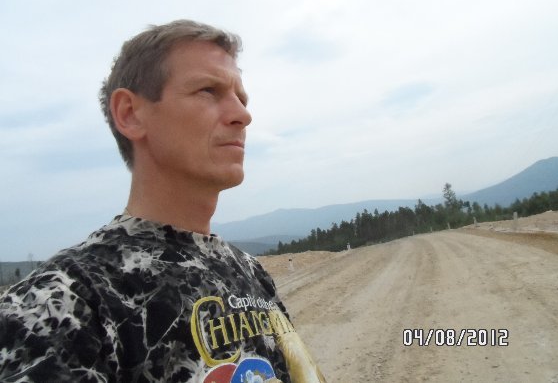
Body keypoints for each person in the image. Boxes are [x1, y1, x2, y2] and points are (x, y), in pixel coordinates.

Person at [0, 20, 326, 383]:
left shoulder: (250, 271)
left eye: (242, 99)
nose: (243, 115)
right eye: (208, 90)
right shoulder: (62, 301)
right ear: (130, 113)